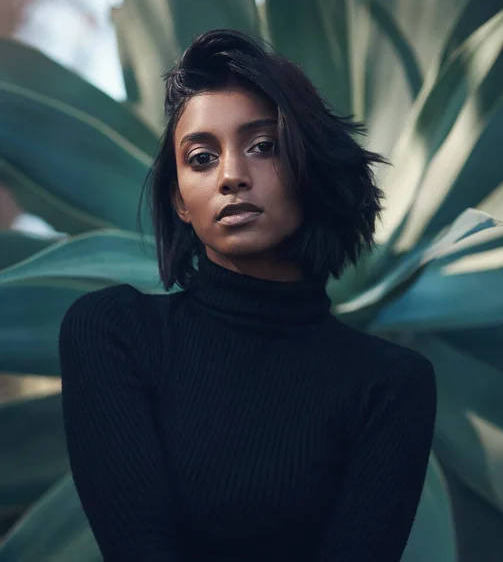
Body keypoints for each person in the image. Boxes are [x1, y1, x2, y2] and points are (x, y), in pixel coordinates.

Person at [59, 29, 437, 562]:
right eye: (201, 157)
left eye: (263, 147)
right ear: (181, 203)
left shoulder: (390, 385)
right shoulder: (114, 333)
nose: (232, 176)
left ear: (311, 170)